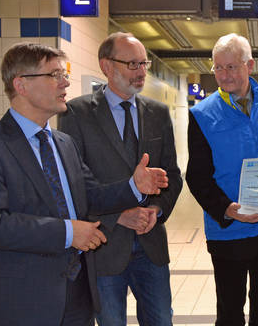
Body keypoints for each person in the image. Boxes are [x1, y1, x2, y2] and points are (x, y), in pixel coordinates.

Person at [0, 42, 168, 325]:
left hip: (78, 294)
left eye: (65, 74)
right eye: (54, 75)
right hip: (24, 299)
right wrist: (68, 233)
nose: (66, 82)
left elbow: (89, 195)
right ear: (20, 84)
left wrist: (133, 186)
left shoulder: (62, 143)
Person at [58, 32, 183, 325]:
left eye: (144, 63)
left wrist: (156, 209)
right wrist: (119, 216)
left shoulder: (158, 113)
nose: (141, 72)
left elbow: (173, 174)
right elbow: (75, 183)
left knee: (161, 319)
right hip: (105, 244)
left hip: (150, 245)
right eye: (132, 64)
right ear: (107, 66)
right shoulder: (76, 113)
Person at [186, 33, 258, 326]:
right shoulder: (202, 113)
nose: (224, 75)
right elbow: (197, 176)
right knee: (229, 314)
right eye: (218, 68)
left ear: (249, 65)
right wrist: (228, 209)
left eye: (232, 67)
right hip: (229, 232)